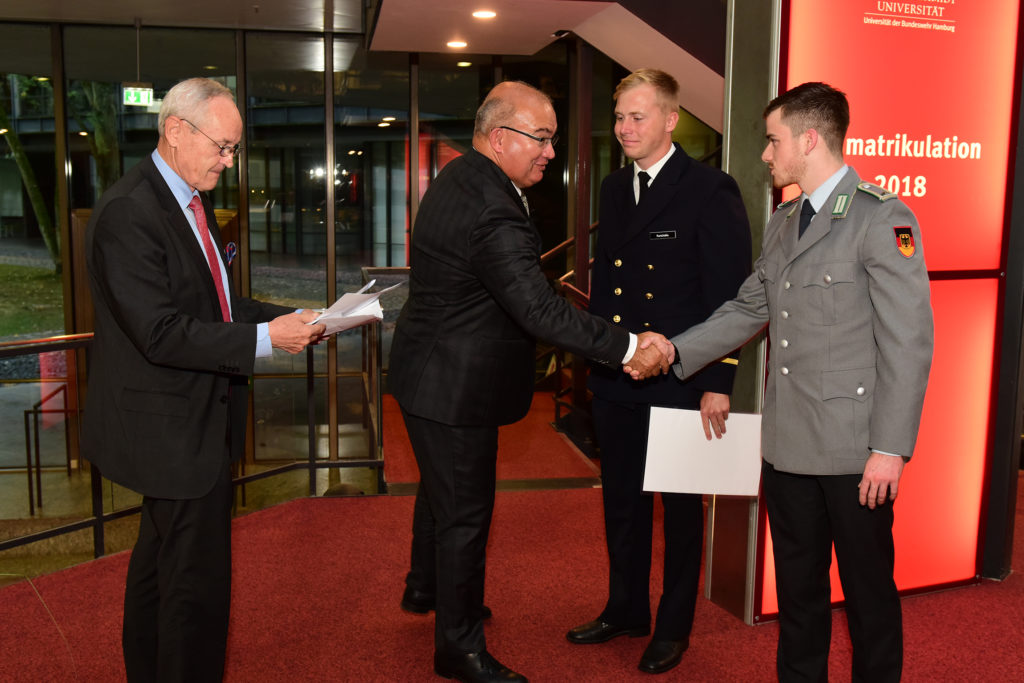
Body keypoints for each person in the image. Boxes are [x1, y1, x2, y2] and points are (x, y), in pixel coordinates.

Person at [388, 80, 674, 683]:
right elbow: (539, 310)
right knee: (465, 511)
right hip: (455, 384)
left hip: (427, 372)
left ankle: (426, 589)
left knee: (440, 494)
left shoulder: (463, 177)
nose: (550, 151)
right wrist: (626, 344)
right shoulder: (493, 205)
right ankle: (457, 648)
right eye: (541, 138)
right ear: (500, 139)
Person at [654, 82, 933, 682]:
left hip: (855, 456)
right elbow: (747, 309)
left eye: (773, 140)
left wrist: (890, 450)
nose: (765, 155)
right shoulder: (785, 221)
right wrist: (674, 350)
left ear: (809, 140)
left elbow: (909, 343)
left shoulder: (881, 217)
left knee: (867, 597)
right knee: (800, 600)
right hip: (786, 450)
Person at [82, 77, 324, 682]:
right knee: (195, 589)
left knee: (162, 570)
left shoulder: (191, 199)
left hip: (196, 419)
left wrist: (292, 319)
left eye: (234, 150)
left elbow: (217, 303)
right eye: (222, 147)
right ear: (174, 131)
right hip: (169, 429)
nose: (229, 162)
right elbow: (162, 333)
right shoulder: (128, 213)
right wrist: (270, 341)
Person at [564, 69, 751, 675]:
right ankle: (626, 608)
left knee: (679, 510)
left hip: (681, 380)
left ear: (671, 120)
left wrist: (718, 382)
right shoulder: (616, 188)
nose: (624, 129)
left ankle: (673, 627)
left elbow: (730, 300)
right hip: (620, 375)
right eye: (619, 118)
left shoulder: (709, 189)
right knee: (621, 502)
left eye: (637, 117)